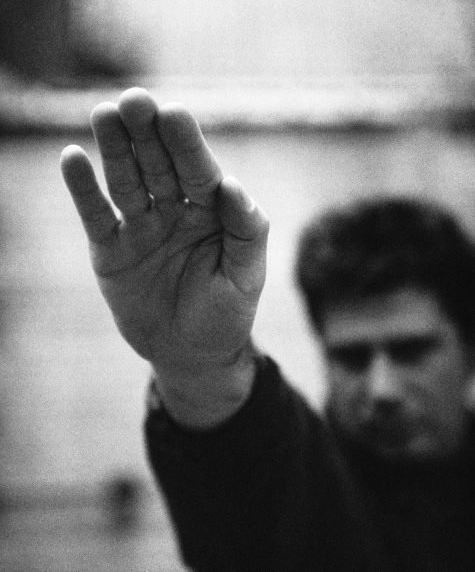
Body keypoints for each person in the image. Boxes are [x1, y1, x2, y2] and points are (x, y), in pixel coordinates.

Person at [60, 87, 475, 572]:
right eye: (351, 357)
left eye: (411, 351)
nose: (381, 389)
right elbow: (254, 469)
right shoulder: (300, 483)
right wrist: (199, 367)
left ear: (468, 346)